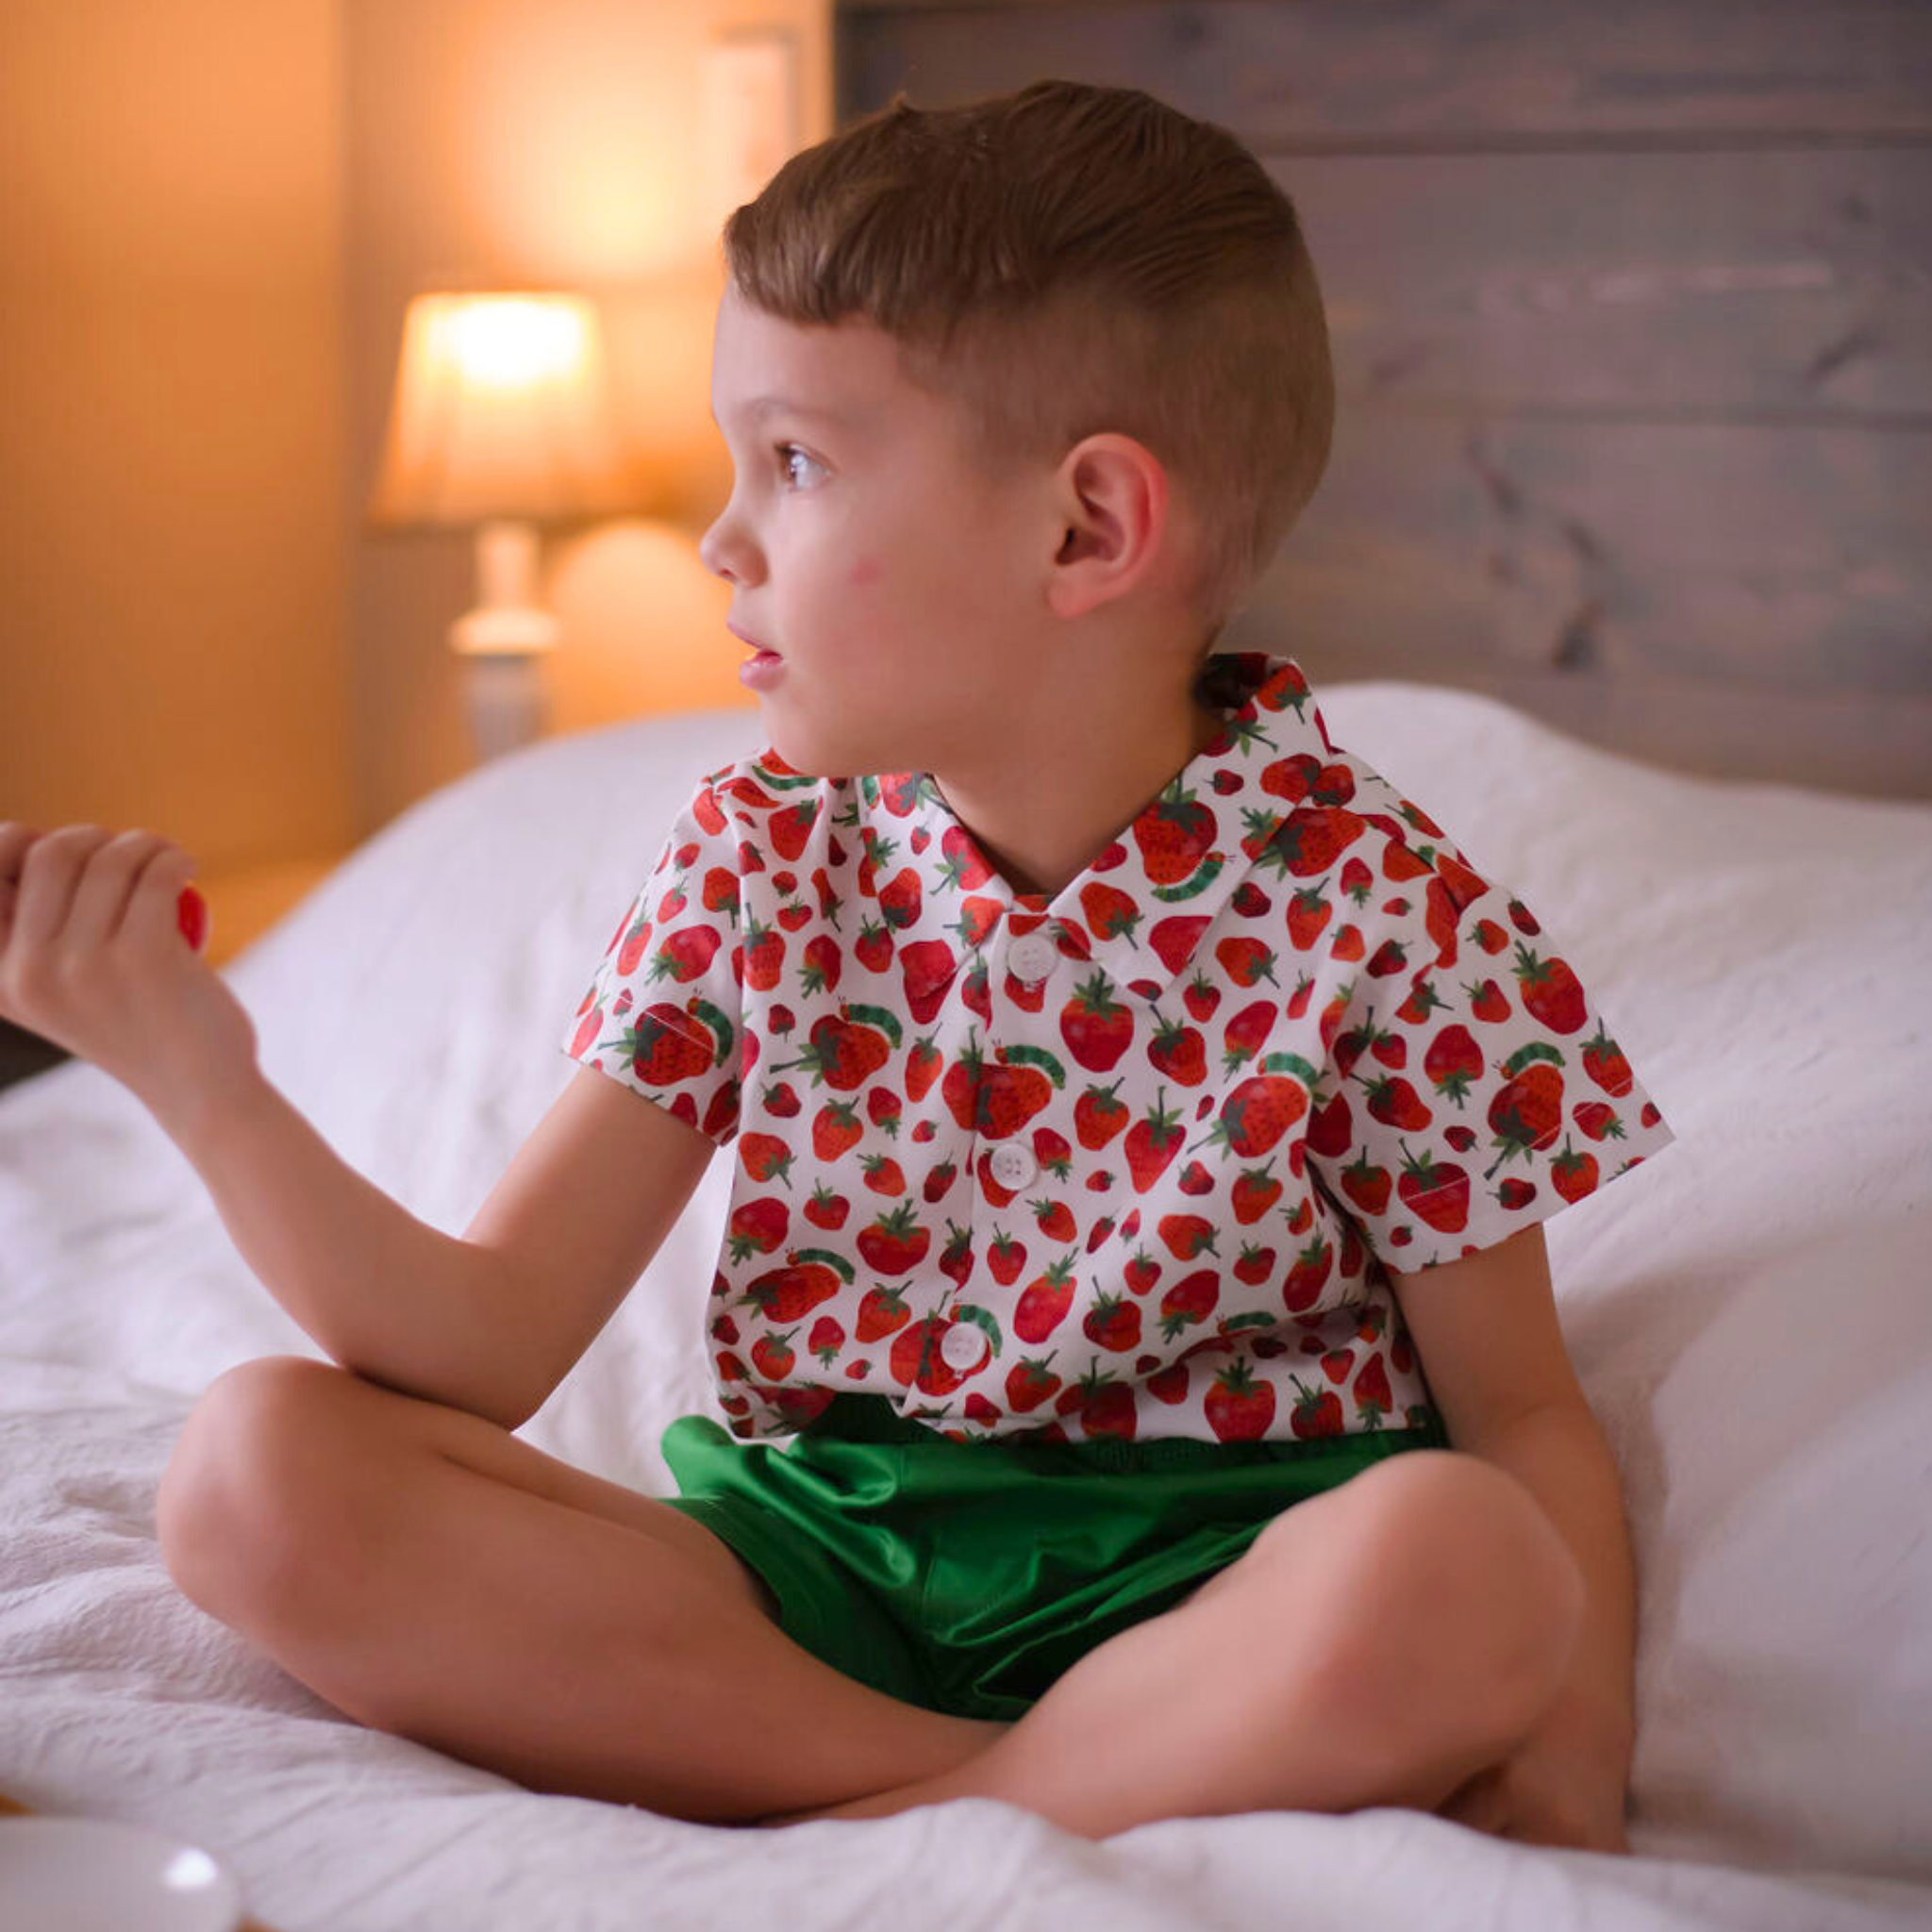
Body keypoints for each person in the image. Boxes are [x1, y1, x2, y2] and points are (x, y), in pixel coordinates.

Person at [0, 79, 1674, 1848]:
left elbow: (1525, 1419)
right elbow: (475, 1349)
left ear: (1086, 530)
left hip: (1223, 1601)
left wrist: (1566, 1771)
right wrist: (196, 1073)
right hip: (817, 1579)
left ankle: (952, 1789)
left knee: (1474, 1558)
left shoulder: (1381, 910)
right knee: (255, 1472)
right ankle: (969, 1791)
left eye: (793, 463)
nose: (720, 540)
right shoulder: (761, 861)